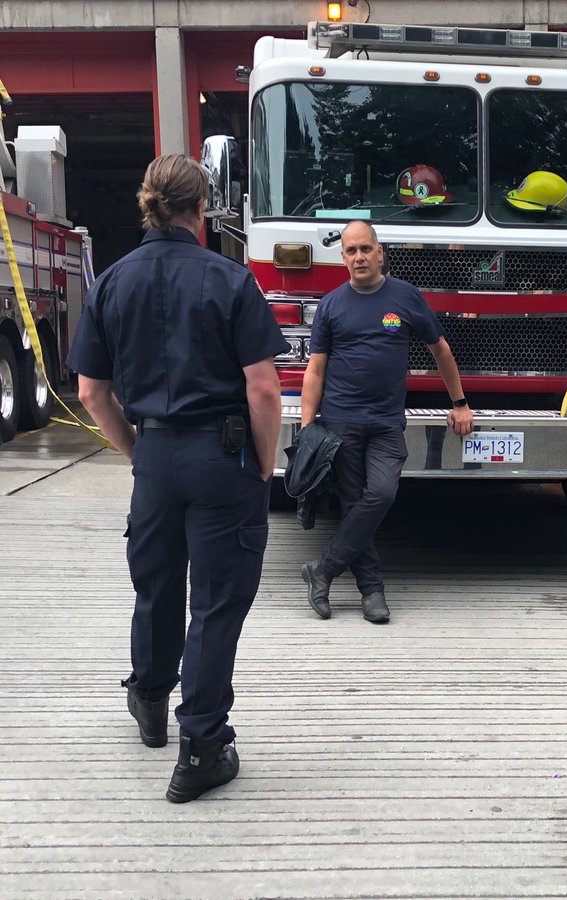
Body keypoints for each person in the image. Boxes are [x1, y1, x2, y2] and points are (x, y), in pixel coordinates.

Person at [68, 154, 288, 802]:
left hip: (156, 455)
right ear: (202, 211)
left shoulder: (111, 283)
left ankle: (148, 699)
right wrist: (265, 463)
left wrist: (138, 451)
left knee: (156, 586)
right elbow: (263, 389)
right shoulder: (230, 280)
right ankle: (203, 746)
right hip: (222, 457)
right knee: (215, 603)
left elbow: (90, 392)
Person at [299, 220, 473, 624]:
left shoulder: (406, 297)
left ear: (380, 253)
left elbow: (440, 350)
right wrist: (307, 427)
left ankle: (323, 569)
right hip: (340, 421)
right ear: (343, 257)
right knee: (352, 503)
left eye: (365, 249)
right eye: (351, 251)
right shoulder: (331, 305)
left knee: (381, 494)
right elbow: (316, 370)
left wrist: (460, 403)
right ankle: (371, 591)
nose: (359, 257)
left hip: (386, 422)